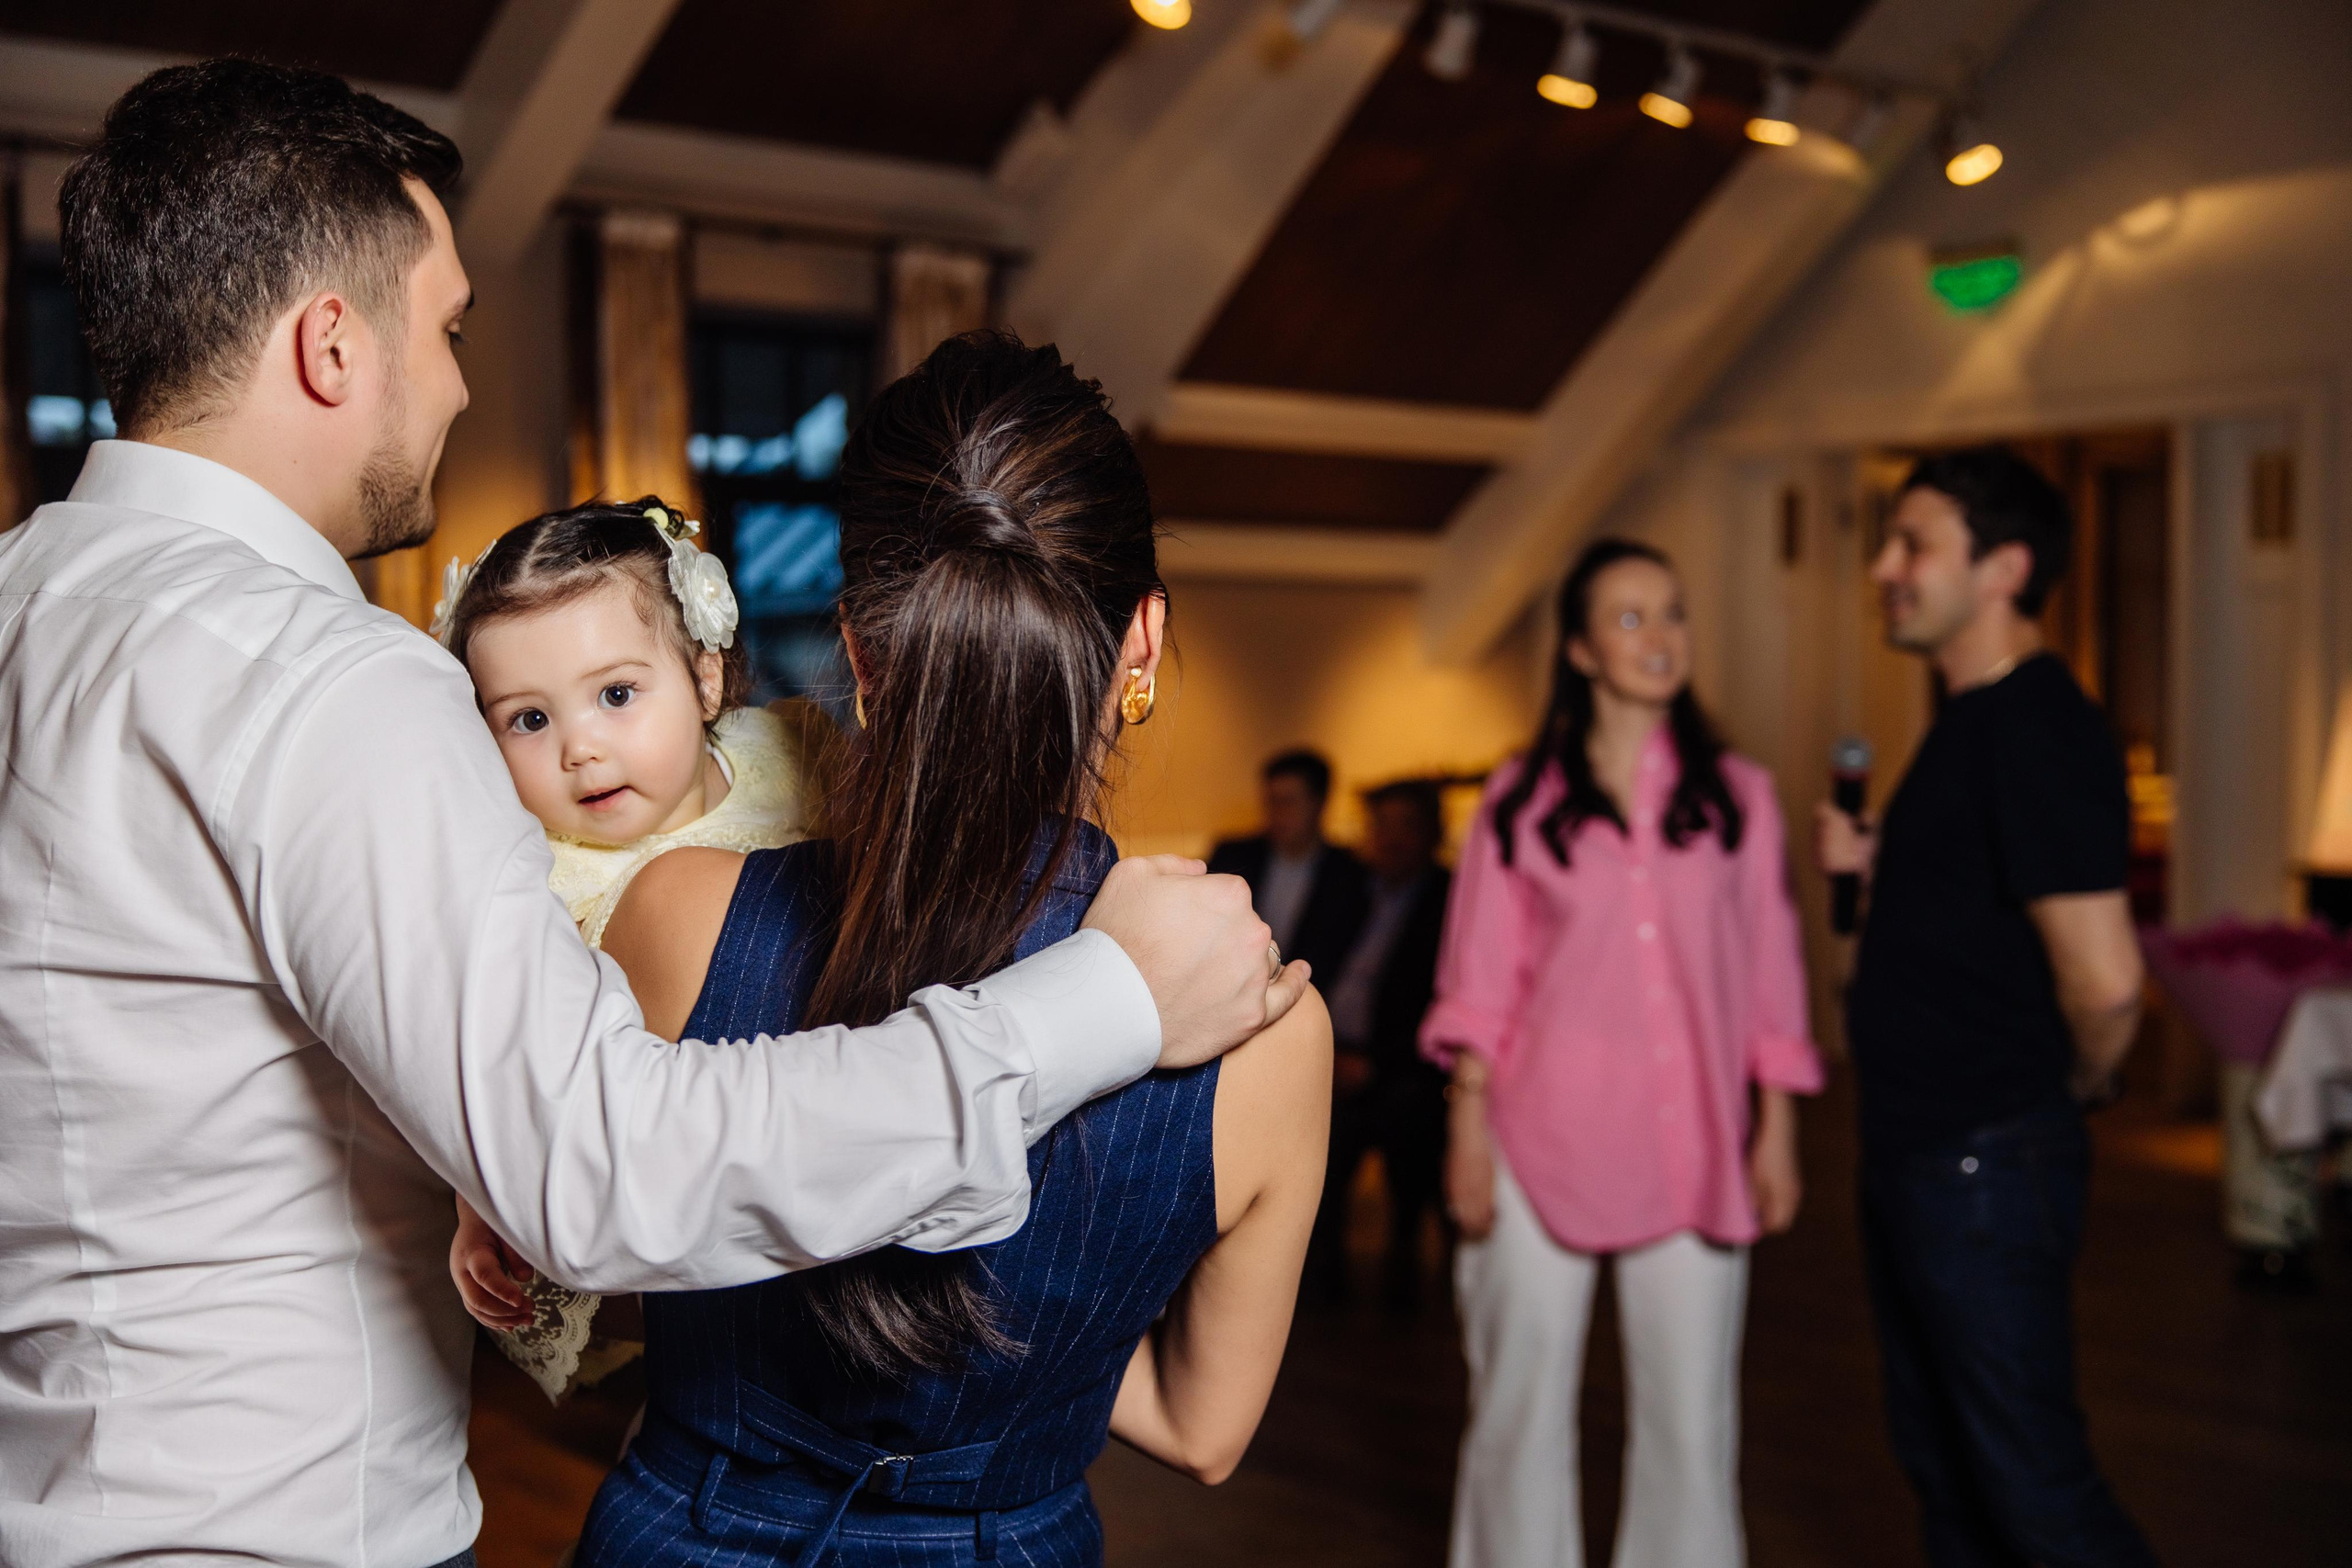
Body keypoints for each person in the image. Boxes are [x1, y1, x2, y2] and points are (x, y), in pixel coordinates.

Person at [0, 62, 1301, 1568]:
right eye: (450, 328)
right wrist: (1104, 999)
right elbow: (599, 1174)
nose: (465, 383)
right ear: (332, 345)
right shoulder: (327, 682)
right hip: (273, 1527)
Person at [554, 330, 1331, 1567]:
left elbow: (597, 1242)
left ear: (861, 651)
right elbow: (1202, 1424)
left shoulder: (679, 911)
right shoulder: (1273, 1028)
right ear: (1141, 643)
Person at [1426, 538, 1821, 1568]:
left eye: (1674, 614)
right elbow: (1477, 984)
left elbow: (1772, 978)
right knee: (1516, 1417)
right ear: (1583, 652)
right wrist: (1467, 1134)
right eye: (1631, 618)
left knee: (1693, 1429)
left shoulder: (1740, 798)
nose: (1660, 637)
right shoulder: (1518, 801)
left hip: (1693, 1146)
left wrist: (1776, 1129)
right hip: (1532, 1140)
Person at [1815, 447, 2157, 1568]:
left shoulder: (2033, 726)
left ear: (2003, 567)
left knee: (2036, 1497)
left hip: (1980, 1167)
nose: (1883, 567)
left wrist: (2072, 1087)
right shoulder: (1966, 726)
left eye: (1913, 544)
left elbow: (2105, 981)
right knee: (1955, 1480)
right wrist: (1867, 885)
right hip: (1924, 1156)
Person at [433, 496, 812, 1400]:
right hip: (673, 1181)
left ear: (707, 679)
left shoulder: (792, 753)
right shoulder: (532, 883)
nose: (579, 749)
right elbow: (491, 1057)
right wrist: (475, 1201)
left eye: (614, 694)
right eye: (528, 719)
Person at [1312, 778, 1454, 1303]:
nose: (1392, 839)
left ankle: (1403, 1267)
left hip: (1404, 1066)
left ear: (1433, 833)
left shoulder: (1450, 898)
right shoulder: (1347, 889)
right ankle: (1316, 1278)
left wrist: (1373, 1063)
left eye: (1407, 826)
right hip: (1329, 1048)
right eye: (1382, 826)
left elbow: (1442, 1000)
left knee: (1409, 1123)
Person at [1210, 748, 1371, 982]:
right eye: (1271, 801)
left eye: (1289, 802)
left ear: (1320, 803)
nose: (1278, 813)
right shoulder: (1233, 857)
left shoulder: (1350, 874)